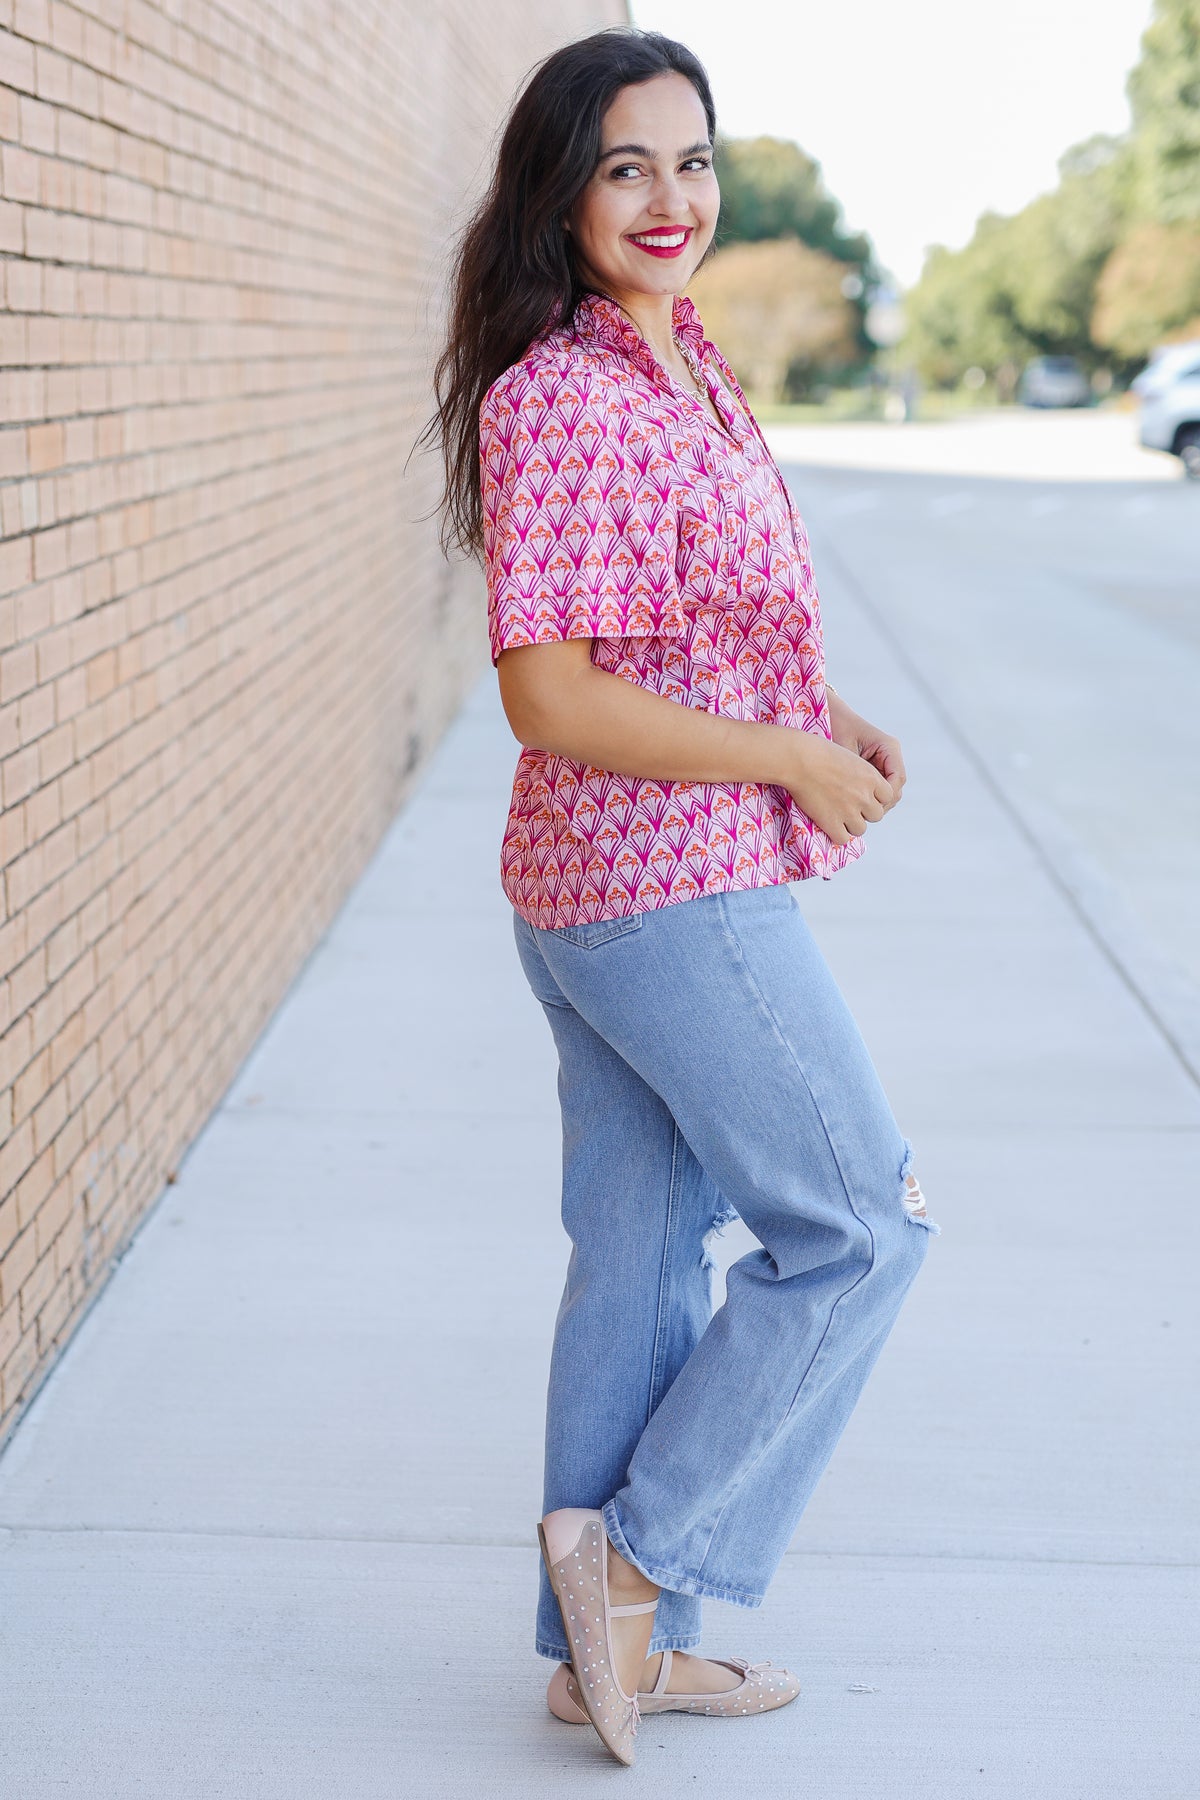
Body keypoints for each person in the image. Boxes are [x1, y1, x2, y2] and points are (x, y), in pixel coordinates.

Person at [428, 26, 938, 1769]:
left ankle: (600, 1668)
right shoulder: (563, 390)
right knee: (861, 1225)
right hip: (666, 890)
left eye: (695, 161)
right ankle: (644, 1568)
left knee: (642, 1264)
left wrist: (818, 714)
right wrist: (784, 766)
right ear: (559, 188)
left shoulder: (678, 358)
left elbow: (695, 625)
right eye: (627, 164)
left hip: (612, 890)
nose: (670, 198)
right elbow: (551, 692)